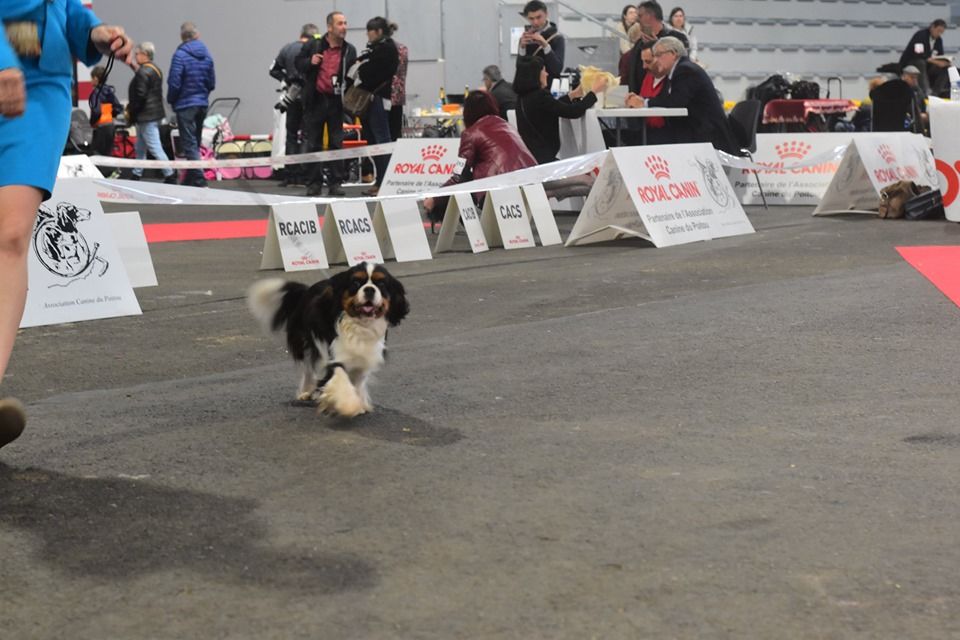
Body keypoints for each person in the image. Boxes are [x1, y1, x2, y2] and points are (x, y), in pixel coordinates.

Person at [0, 0, 133, 450]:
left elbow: (63, 9)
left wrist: (95, 32)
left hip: (39, 95)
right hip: (5, 70)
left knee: (11, 235)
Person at [423, 90, 537, 222]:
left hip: (498, 193)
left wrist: (435, 198)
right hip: (531, 190)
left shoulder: (471, 133)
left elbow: (459, 177)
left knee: (458, 191)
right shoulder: (507, 126)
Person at [296, 11, 357, 197]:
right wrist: (310, 61)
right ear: (330, 27)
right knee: (313, 142)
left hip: (336, 101)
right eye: (340, 23)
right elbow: (298, 63)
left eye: (345, 23)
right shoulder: (314, 45)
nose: (344, 27)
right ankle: (313, 183)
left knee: (336, 143)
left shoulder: (349, 50)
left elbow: (353, 74)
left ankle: (335, 183)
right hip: (315, 100)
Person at [644, 36, 739, 155]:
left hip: (707, 136)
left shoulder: (685, 71)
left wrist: (645, 103)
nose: (656, 60)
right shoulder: (680, 70)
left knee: (657, 139)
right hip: (696, 129)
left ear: (673, 53)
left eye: (658, 55)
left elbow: (676, 102)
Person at [513, 55, 609, 164]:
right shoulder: (540, 96)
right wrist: (593, 92)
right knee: (587, 179)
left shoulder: (522, 98)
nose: (547, 74)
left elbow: (554, 107)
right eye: (544, 70)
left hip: (532, 159)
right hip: (544, 163)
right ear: (536, 74)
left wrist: (573, 94)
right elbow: (572, 112)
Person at [270, 23, 320, 187]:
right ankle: (305, 172)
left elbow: (273, 69)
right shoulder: (313, 49)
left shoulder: (287, 49)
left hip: (291, 96)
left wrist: (286, 80)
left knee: (291, 134)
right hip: (308, 96)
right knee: (306, 134)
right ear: (313, 36)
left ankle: (290, 173)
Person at [167, 21, 215, 188]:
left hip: (185, 104)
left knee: (188, 142)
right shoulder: (207, 54)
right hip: (202, 102)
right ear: (197, 35)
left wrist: (171, 99)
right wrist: (203, 95)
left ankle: (200, 178)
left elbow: (174, 82)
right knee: (195, 140)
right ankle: (190, 178)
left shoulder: (179, 55)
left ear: (182, 36)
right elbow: (212, 82)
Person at [356, 16, 399, 197]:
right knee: (375, 141)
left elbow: (367, 73)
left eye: (369, 31)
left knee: (382, 141)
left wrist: (362, 67)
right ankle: (380, 181)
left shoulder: (386, 49)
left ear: (378, 32)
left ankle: (385, 182)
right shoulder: (379, 48)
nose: (367, 34)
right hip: (376, 99)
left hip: (378, 100)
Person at [127, 42, 176, 184]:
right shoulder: (155, 70)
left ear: (145, 54)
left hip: (145, 115)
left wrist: (132, 111)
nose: (135, 56)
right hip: (153, 114)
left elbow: (140, 95)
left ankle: (170, 174)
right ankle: (137, 173)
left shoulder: (143, 72)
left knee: (154, 147)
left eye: (137, 54)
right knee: (140, 147)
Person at [626, 1, 688, 94]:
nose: (637, 19)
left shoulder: (677, 38)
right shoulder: (639, 44)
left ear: (650, 16)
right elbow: (633, 74)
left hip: (667, 98)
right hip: (641, 100)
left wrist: (657, 45)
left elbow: (680, 69)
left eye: (640, 15)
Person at [624, 43, 670, 144]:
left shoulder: (673, 79)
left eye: (648, 62)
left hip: (667, 135)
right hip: (646, 132)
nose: (644, 66)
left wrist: (643, 102)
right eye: (643, 62)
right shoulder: (648, 77)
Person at [899, 19, 950, 98]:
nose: (939, 34)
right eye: (938, 31)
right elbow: (918, 54)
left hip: (928, 65)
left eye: (941, 32)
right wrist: (936, 62)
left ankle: (935, 93)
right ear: (932, 27)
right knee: (921, 63)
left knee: (946, 68)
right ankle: (926, 91)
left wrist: (944, 62)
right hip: (912, 62)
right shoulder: (920, 35)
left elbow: (940, 56)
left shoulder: (939, 40)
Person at [518, 0, 565, 86]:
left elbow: (557, 69)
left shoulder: (557, 38)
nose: (535, 22)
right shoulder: (525, 38)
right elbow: (520, 69)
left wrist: (545, 45)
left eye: (539, 17)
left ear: (546, 14)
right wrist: (522, 48)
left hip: (549, 90)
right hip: (529, 89)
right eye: (531, 18)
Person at [88, 65, 123, 156]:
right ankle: (111, 170)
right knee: (108, 154)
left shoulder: (95, 93)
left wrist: (91, 122)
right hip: (110, 126)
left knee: (96, 154)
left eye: (91, 78)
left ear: (96, 78)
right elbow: (118, 107)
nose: (90, 81)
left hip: (100, 127)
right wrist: (111, 115)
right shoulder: (109, 91)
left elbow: (96, 111)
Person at [389, 23, 407, 142]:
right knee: (396, 132)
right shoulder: (402, 49)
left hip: (385, 96)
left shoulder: (384, 49)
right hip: (398, 97)